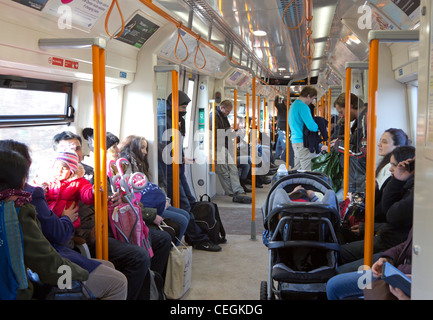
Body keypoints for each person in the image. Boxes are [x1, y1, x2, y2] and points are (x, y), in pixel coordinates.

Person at [0, 139, 127, 300]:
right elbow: (47, 260)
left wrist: (96, 193)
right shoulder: (22, 205)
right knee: (119, 281)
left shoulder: (77, 183)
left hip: (52, 252)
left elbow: (87, 194)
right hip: (36, 272)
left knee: (109, 266)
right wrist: (81, 273)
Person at [53, 131, 152, 300]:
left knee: (153, 240)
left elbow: (98, 197)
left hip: (109, 224)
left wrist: (112, 201)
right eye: (69, 148)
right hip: (85, 236)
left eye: (77, 148)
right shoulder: (53, 180)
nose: (75, 152)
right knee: (139, 257)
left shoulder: (93, 173)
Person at [81, 129, 172, 280]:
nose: (118, 150)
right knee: (142, 252)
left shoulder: (117, 170)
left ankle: (153, 283)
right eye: (113, 147)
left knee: (164, 237)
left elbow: (132, 199)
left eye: (117, 146)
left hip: (122, 220)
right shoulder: (92, 176)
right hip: (108, 227)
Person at [0, 148, 91, 300]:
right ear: (21, 180)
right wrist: (82, 273)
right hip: (12, 292)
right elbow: (48, 264)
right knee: (116, 282)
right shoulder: (18, 211)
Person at [158, 91, 222, 251]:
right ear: (173, 105)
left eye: (186, 107)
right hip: (169, 171)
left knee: (192, 202)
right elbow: (165, 149)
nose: (185, 110)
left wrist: (183, 158)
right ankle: (197, 239)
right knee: (185, 205)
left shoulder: (176, 120)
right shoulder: (164, 121)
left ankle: (203, 232)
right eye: (182, 106)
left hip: (178, 168)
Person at [338, 146, 415, 267]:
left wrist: (371, 227)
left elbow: (390, 216)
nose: (391, 168)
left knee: (340, 256)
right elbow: (384, 210)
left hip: (389, 241)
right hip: (385, 234)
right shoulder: (393, 179)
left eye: (394, 165)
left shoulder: (411, 191)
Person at [118, 134, 191, 244]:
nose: (145, 152)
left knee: (185, 215)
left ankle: (173, 249)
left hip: (151, 203)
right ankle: (172, 250)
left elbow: (150, 187)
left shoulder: (140, 164)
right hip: (145, 206)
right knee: (182, 220)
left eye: (146, 148)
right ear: (134, 148)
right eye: (142, 148)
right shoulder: (126, 166)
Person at [326, 228, 413, 300]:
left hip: (404, 282)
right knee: (333, 284)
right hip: (395, 272)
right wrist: (387, 257)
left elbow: (394, 216)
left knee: (338, 278)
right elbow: (407, 244)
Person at [39, 149, 94, 229]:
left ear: (72, 171)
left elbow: (85, 193)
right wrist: (42, 191)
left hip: (67, 224)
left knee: (66, 240)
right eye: (57, 167)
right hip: (48, 221)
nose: (59, 171)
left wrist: (92, 192)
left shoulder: (78, 182)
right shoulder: (48, 180)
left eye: (64, 168)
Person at [210, 99, 252, 204]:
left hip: (224, 146)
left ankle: (239, 190)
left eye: (229, 112)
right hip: (217, 148)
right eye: (227, 111)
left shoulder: (223, 117)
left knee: (233, 168)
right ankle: (233, 193)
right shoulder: (214, 116)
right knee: (223, 171)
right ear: (221, 108)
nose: (228, 113)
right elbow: (214, 134)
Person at [331, 93, 367, 195]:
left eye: (341, 112)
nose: (341, 116)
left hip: (359, 178)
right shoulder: (359, 121)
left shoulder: (365, 120)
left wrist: (339, 145)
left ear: (350, 105)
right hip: (356, 176)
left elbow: (361, 153)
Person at [288, 86, 318, 170]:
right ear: (308, 96)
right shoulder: (303, 106)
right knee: (308, 171)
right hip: (303, 143)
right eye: (312, 99)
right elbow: (312, 126)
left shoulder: (293, 105)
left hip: (295, 142)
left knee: (298, 169)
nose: (312, 102)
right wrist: (318, 126)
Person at [274, 96, 287, 160]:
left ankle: (277, 155)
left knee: (279, 142)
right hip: (281, 126)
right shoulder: (280, 106)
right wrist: (276, 98)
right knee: (284, 142)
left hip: (285, 126)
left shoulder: (288, 107)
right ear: (284, 101)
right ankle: (286, 155)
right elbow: (276, 104)